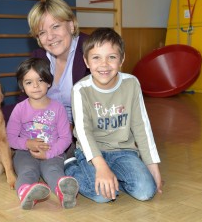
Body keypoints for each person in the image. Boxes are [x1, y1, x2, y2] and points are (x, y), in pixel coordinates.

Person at [64, 27, 163, 203]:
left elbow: (141, 126)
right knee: (103, 196)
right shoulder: (80, 89)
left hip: (124, 151)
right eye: (96, 58)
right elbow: (83, 132)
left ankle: (113, 177)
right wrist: (100, 165)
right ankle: (71, 166)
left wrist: (152, 165)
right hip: (91, 152)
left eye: (112, 57)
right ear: (86, 61)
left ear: (122, 59)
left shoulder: (132, 83)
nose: (104, 64)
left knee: (146, 191)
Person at [3, 0, 90, 155]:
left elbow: (100, 106)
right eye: (42, 32)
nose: (50, 37)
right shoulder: (38, 56)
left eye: (56, 26)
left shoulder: (90, 50)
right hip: (45, 126)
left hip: (80, 130)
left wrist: (71, 130)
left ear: (71, 25)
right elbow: (24, 103)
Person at [7, 57, 79, 210]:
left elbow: (66, 138)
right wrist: (27, 144)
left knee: (53, 170)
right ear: (22, 87)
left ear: (48, 82)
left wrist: (50, 153)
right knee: (27, 171)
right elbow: (10, 138)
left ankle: (64, 192)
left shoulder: (58, 108)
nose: (35, 86)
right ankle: (26, 192)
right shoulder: (19, 109)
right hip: (25, 153)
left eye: (40, 80)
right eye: (29, 82)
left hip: (52, 152)